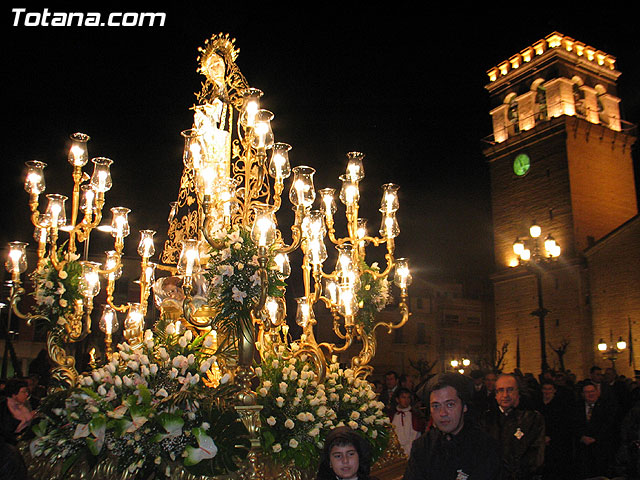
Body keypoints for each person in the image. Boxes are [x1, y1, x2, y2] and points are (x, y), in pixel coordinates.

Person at [403, 372, 501, 479]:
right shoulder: (422, 446)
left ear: (464, 407)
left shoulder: (485, 447)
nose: (442, 413)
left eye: (450, 404)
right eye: (436, 406)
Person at [480, 373, 545, 479]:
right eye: (501, 390)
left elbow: (536, 457)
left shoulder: (532, 418)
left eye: (510, 390)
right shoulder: (486, 419)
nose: (505, 395)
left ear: (518, 392)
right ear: (495, 395)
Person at [573, 380, 617, 478]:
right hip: (583, 448)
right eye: (587, 392)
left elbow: (609, 424)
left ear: (597, 392)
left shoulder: (607, 406)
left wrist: (596, 437)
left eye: (592, 391)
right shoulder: (577, 407)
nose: (590, 394)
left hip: (601, 447)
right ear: (582, 394)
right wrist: (581, 436)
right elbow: (573, 424)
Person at [390, 387, 426, 455]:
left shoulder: (414, 416)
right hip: (395, 453)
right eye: (403, 397)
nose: (406, 400)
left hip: (410, 451)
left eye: (408, 397)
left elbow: (416, 436)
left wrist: (407, 452)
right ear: (397, 399)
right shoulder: (392, 415)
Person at [0, 378, 37, 445]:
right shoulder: (4, 406)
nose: (26, 394)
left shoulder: (23, 407)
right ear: (14, 394)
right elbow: (6, 430)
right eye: (23, 392)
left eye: (27, 392)